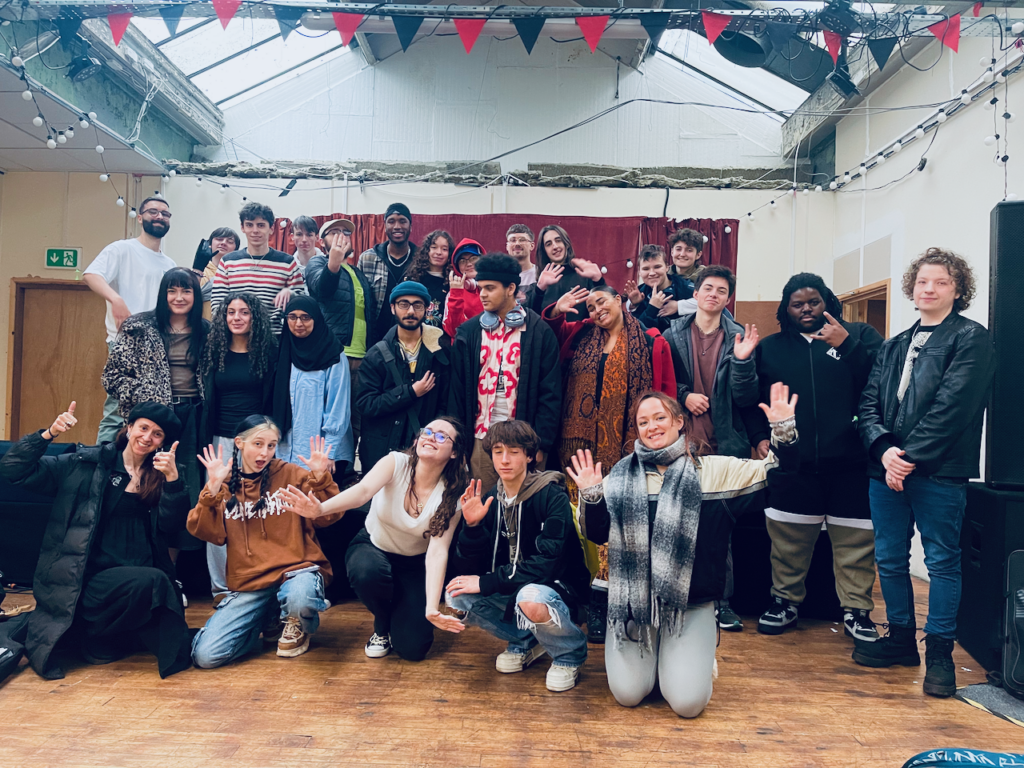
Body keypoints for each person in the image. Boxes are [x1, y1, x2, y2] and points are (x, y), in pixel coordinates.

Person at [569, 384, 799, 717]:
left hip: (691, 606)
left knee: (688, 705)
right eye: (643, 422)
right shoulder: (617, 478)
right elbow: (596, 533)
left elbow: (780, 480)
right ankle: (664, 661)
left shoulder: (714, 472)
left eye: (660, 417)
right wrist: (591, 495)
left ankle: (690, 658)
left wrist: (783, 432)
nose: (652, 427)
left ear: (679, 421)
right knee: (628, 694)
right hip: (636, 609)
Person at [854, 248, 995, 698]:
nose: (928, 289)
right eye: (922, 282)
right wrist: (884, 450)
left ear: (957, 290)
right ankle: (900, 640)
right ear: (911, 289)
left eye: (940, 282)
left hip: (938, 472)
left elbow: (953, 409)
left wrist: (905, 457)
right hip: (886, 470)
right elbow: (869, 405)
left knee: (941, 562)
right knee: (890, 559)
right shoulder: (895, 343)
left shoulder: (972, 339)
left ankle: (939, 655)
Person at [733, 274, 883, 641]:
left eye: (813, 302)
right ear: (786, 308)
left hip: (851, 462)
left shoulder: (860, 336)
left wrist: (846, 344)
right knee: (788, 541)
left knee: (855, 544)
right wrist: (758, 437)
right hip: (791, 463)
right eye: (797, 304)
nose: (806, 309)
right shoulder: (770, 348)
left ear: (827, 301)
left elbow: (882, 383)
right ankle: (784, 602)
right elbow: (750, 401)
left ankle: (857, 611)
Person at [0, 401, 192, 679]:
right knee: (151, 582)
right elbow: (12, 469)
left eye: (157, 434)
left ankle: (97, 640)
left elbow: (172, 526)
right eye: (143, 427)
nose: (147, 437)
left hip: (134, 577)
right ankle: (87, 635)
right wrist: (48, 434)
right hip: (84, 580)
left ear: (163, 442)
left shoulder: (164, 475)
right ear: (129, 428)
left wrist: (173, 482)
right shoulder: (86, 463)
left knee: (156, 586)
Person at [543, 284, 677, 641]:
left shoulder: (651, 341)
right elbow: (550, 342)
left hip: (624, 449)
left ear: (620, 301)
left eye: (601, 300)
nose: (596, 308)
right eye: (590, 305)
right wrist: (560, 309)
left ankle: (605, 601)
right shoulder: (582, 334)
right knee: (580, 524)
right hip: (577, 448)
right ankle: (583, 594)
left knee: (614, 525)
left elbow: (665, 397)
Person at [280, 418, 470, 661]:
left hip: (413, 564)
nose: (431, 437)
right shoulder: (396, 462)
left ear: (454, 452)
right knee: (366, 571)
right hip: (373, 547)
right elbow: (362, 492)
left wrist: (432, 607)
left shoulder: (452, 492)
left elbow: (437, 551)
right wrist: (319, 510)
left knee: (413, 649)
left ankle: (398, 613)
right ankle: (381, 623)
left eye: (442, 436)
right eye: (428, 431)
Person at [446, 420, 592, 692]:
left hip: (558, 591)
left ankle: (569, 653)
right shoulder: (492, 498)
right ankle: (527, 640)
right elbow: (469, 567)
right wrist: (473, 527)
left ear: (529, 455)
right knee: (456, 594)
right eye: (498, 451)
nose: (505, 459)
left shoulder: (552, 495)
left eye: (514, 451)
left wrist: (487, 582)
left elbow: (547, 566)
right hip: (514, 588)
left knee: (531, 597)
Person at [189, 420, 340, 666]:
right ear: (239, 443)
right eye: (258, 444)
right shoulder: (226, 485)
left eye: (271, 445)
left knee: (300, 595)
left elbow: (330, 516)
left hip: (296, 572)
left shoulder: (291, 474)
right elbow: (205, 532)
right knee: (206, 656)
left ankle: (296, 623)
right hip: (251, 584)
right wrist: (212, 488)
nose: (264, 452)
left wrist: (321, 477)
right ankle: (268, 618)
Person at [663, 264, 761, 631]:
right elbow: (662, 384)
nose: (713, 295)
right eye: (708, 287)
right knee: (675, 522)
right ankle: (676, 595)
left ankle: (722, 600)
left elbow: (747, 397)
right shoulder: (672, 335)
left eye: (721, 290)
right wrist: (685, 396)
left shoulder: (739, 337)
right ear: (696, 293)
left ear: (728, 298)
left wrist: (742, 361)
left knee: (720, 528)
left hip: (723, 444)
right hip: (680, 442)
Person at [102, 267, 209, 527]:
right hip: (153, 419)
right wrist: (146, 398)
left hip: (193, 417)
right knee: (147, 482)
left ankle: (177, 558)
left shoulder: (207, 331)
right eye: (172, 291)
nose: (179, 297)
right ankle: (141, 545)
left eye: (186, 291)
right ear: (163, 295)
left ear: (196, 295)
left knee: (185, 486)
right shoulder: (139, 326)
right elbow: (111, 376)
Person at [448, 254, 562, 492]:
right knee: (484, 507)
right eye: (480, 288)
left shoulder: (539, 332)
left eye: (490, 288)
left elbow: (550, 392)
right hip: (479, 439)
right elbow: (456, 393)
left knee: (524, 509)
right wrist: (458, 442)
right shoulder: (468, 332)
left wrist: (541, 443)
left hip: (524, 440)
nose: (483, 295)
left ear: (511, 288)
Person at [199, 292, 278, 600]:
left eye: (243, 312)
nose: (236, 317)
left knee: (258, 511)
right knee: (218, 510)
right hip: (220, 441)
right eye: (231, 312)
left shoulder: (267, 353)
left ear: (254, 317)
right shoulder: (214, 351)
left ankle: (258, 583)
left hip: (256, 442)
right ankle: (221, 588)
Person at [83, 196, 177, 443]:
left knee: (152, 415)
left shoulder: (169, 264)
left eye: (165, 214)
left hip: (160, 347)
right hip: (126, 343)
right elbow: (91, 274)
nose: (159, 217)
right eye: (153, 212)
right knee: (117, 411)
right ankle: (101, 467)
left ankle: (138, 473)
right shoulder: (121, 249)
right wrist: (116, 299)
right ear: (140, 216)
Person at [356, 282, 451, 471]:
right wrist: (410, 392)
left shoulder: (439, 353)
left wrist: (432, 437)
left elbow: (445, 405)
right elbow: (366, 404)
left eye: (417, 305)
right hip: (381, 452)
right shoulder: (376, 355)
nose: (410, 311)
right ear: (392, 308)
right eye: (403, 304)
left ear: (426, 309)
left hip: (423, 450)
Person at [305, 218, 376, 465]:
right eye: (333, 232)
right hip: (335, 355)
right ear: (321, 241)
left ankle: (346, 471)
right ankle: (325, 469)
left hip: (362, 356)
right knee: (332, 417)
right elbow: (321, 289)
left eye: (345, 232)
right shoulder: (317, 262)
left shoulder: (356, 272)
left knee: (357, 418)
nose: (340, 236)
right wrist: (333, 262)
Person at [272, 296, 354, 478]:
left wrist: (328, 452)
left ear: (316, 319)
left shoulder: (333, 355)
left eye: (305, 317)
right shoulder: (283, 351)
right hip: (285, 451)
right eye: (292, 317)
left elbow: (337, 407)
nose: (298, 323)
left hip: (320, 454)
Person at [211, 201, 305, 333]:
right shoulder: (227, 262)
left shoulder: (287, 262)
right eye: (249, 225)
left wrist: (291, 294)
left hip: (274, 340)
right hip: (236, 340)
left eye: (261, 225)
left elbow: (303, 302)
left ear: (271, 228)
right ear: (242, 228)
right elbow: (217, 305)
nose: (255, 231)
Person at [359, 203, 416, 344]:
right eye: (391, 221)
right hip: (374, 340)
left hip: (412, 338)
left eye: (403, 221)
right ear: (384, 227)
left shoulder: (421, 259)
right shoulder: (368, 259)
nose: (397, 226)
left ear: (411, 227)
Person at [530, 225, 604, 318]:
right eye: (548, 244)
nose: (555, 246)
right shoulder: (540, 284)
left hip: (584, 332)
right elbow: (532, 318)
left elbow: (607, 307)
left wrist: (599, 280)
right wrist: (539, 290)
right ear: (544, 251)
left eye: (558, 240)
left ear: (566, 243)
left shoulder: (584, 276)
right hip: (549, 332)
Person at [624, 245, 695, 332]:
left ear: (667, 267)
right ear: (639, 272)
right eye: (646, 269)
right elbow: (636, 333)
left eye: (657, 267)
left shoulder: (685, 288)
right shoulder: (638, 293)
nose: (652, 273)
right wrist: (638, 306)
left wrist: (679, 306)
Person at [405, 230, 454, 330]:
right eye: (434, 247)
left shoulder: (453, 281)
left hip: (443, 340)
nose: (439, 252)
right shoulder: (413, 278)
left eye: (444, 249)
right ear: (426, 251)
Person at [441, 238, 484, 338]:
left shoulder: (496, 288)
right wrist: (456, 294)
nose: (469, 263)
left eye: (473, 258)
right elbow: (453, 330)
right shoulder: (454, 294)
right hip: (465, 349)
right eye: (462, 260)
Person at [198, 227, 241, 320]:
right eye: (219, 239)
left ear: (236, 249)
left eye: (229, 241)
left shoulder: (239, 274)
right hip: (203, 328)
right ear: (210, 244)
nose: (223, 243)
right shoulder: (199, 272)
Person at [505, 224, 537, 295]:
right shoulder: (500, 275)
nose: (517, 244)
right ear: (507, 246)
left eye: (522, 240)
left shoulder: (541, 274)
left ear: (532, 246)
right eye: (513, 240)